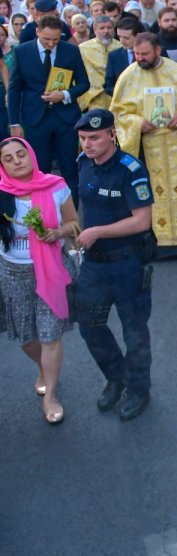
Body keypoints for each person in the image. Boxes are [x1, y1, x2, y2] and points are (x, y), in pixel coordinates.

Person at [71, 108, 156, 421]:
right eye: (82, 139)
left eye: (94, 137)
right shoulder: (83, 163)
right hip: (94, 265)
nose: (87, 145)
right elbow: (85, 204)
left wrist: (97, 232)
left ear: (112, 134)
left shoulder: (131, 170)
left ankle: (138, 389)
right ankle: (117, 376)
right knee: (88, 325)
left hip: (127, 263)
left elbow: (142, 221)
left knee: (134, 332)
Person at [0, 136, 78, 425]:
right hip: (12, 273)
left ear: (31, 154)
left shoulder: (55, 186)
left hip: (51, 268)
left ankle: (51, 396)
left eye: (21, 154)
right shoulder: (1, 192)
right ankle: (43, 369)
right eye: (8, 158)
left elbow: (74, 222)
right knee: (26, 337)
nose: (16, 161)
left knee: (49, 334)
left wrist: (58, 233)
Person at [109, 32, 177, 260]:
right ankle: (154, 246)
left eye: (144, 54)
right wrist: (136, 123)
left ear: (158, 51)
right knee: (148, 193)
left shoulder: (176, 72)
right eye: (136, 54)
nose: (139, 58)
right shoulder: (128, 76)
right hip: (145, 145)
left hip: (175, 144)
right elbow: (118, 112)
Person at [7, 16, 89, 202]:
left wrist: (65, 94)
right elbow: (14, 89)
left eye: (55, 39)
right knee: (39, 169)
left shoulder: (71, 51)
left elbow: (84, 83)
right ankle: (44, 215)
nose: (51, 43)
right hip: (35, 119)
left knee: (69, 169)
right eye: (46, 39)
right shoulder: (22, 52)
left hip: (65, 118)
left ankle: (72, 218)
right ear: (37, 32)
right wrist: (14, 122)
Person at [79, 14, 116, 109]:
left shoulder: (121, 47)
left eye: (109, 27)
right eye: (102, 28)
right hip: (92, 97)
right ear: (95, 30)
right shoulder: (83, 49)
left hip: (115, 95)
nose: (106, 31)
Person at [102, 14, 139, 95]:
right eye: (119, 37)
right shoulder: (114, 56)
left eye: (126, 38)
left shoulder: (152, 53)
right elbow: (108, 86)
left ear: (137, 36)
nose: (122, 41)